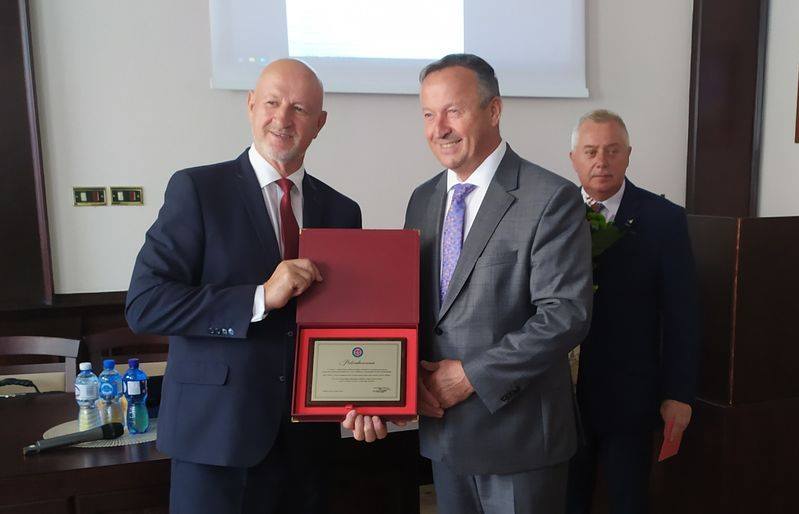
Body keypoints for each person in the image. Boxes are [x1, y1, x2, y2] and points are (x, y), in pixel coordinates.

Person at [125, 59, 361, 514]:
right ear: (251, 105)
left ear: (320, 123)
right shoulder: (197, 190)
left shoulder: (342, 211)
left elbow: (347, 326)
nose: (282, 118)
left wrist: (369, 395)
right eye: (271, 103)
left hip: (307, 446)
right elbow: (145, 303)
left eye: (299, 108)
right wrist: (258, 298)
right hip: (216, 440)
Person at [402, 53, 593, 514]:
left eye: (453, 111)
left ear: (493, 110)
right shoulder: (423, 199)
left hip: (519, 440)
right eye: (428, 114)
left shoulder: (550, 197)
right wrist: (391, 383)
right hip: (443, 433)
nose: (439, 128)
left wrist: (470, 377)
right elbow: (415, 309)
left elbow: (565, 315)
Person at [565, 109, 700, 514]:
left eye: (612, 150)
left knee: (628, 501)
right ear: (573, 158)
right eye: (590, 151)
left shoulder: (664, 219)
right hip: (560, 399)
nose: (601, 161)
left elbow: (682, 314)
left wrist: (679, 394)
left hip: (630, 398)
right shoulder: (552, 214)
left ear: (628, 155)